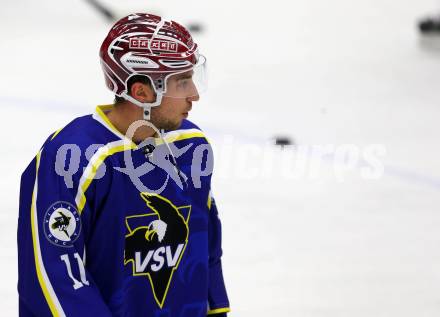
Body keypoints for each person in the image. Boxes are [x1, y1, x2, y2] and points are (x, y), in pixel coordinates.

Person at [17, 13, 230, 317]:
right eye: (182, 82)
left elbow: (203, 242)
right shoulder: (72, 157)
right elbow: (54, 274)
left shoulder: (190, 144)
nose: (194, 94)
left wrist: (216, 308)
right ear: (141, 91)